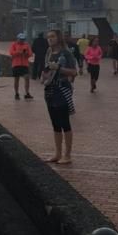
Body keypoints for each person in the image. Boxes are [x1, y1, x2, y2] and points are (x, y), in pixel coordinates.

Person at [41, 29, 78, 164]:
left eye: (52, 36)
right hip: (49, 90)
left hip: (61, 89)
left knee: (64, 123)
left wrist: (58, 68)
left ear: (58, 38)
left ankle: (67, 154)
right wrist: (43, 76)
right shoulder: (48, 52)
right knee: (55, 124)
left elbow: (74, 72)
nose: (49, 39)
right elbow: (45, 70)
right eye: (48, 36)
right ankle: (57, 153)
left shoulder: (66, 54)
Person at [8, 32, 34, 101]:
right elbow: (11, 52)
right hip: (16, 64)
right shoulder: (14, 44)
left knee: (27, 78)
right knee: (16, 80)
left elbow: (30, 54)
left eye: (23, 39)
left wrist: (26, 53)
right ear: (18, 39)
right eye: (21, 39)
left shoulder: (26, 45)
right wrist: (19, 52)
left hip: (25, 64)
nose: (22, 41)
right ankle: (16, 93)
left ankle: (27, 93)